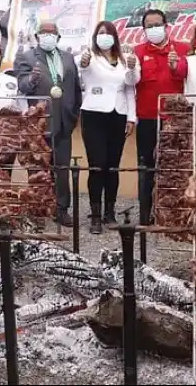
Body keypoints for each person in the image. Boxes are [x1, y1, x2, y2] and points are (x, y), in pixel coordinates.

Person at [14, 20, 82, 228]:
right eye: (43, 32)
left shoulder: (69, 58)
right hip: (39, 123)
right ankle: (38, 211)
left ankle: (62, 209)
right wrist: (32, 79)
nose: (48, 35)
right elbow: (22, 85)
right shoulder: (26, 57)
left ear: (58, 36)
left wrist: (72, 114)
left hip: (64, 121)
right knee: (38, 168)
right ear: (37, 36)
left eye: (52, 32)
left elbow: (76, 89)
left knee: (62, 167)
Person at [131, 9, 190, 226]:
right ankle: (145, 214)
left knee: (175, 167)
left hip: (176, 120)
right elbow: (130, 83)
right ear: (144, 29)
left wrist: (177, 66)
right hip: (147, 118)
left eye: (158, 24)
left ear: (166, 26)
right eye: (149, 25)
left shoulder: (183, 49)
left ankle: (174, 216)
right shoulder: (136, 52)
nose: (154, 29)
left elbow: (191, 78)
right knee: (147, 167)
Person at [76, 21, 136, 234]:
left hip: (118, 116)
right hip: (94, 115)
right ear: (95, 36)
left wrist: (132, 118)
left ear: (115, 37)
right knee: (97, 164)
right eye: (101, 33)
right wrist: (83, 61)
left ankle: (109, 213)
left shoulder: (123, 59)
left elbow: (131, 86)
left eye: (108, 33)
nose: (105, 37)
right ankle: (95, 215)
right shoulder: (89, 56)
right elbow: (80, 65)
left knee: (112, 167)